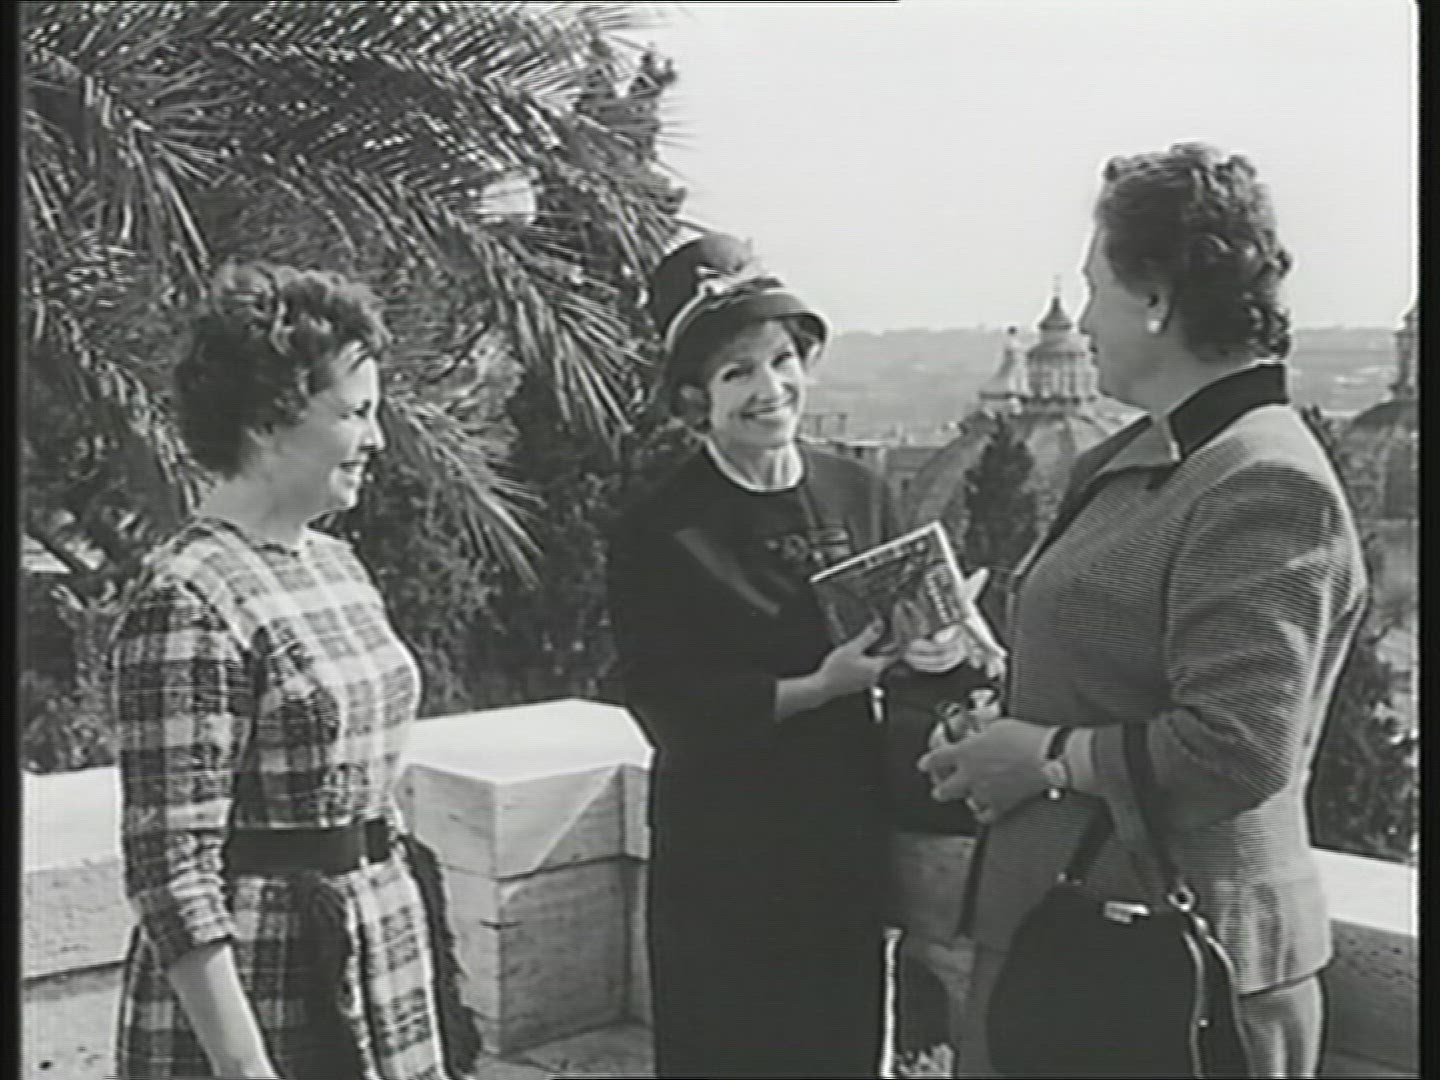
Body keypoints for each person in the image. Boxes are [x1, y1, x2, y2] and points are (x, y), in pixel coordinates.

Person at [920, 141, 1368, 1078]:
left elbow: (1237, 748)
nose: (1083, 319)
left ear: (1157, 296)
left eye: (1097, 288)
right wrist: (1001, 721)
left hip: (1169, 977)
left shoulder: (1264, 479)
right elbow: (1110, 669)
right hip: (1065, 941)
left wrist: (1042, 757)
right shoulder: (1145, 455)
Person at [606, 233, 1000, 1079]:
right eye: (737, 372)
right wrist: (819, 687)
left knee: (838, 1047)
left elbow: (901, 658)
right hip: (723, 850)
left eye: (783, 360)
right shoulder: (659, 529)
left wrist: (934, 646)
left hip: (841, 832)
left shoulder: (859, 490)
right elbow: (666, 706)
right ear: (694, 398)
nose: (770, 388)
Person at [111, 262, 452, 1080]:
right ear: (268, 420)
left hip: (377, 948)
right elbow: (172, 873)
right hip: (259, 985)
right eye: (355, 413)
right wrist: (245, 1067)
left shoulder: (337, 563)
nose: (376, 440)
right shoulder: (187, 597)